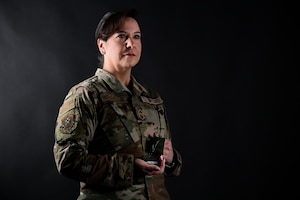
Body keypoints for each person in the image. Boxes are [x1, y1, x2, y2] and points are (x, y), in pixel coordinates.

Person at [53, 8, 182, 200]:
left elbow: (166, 162)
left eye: (136, 36)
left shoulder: (151, 98)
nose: (131, 43)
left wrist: (171, 160)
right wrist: (129, 167)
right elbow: (67, 159)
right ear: (102, 46)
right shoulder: (86, 95)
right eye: (122, 36)